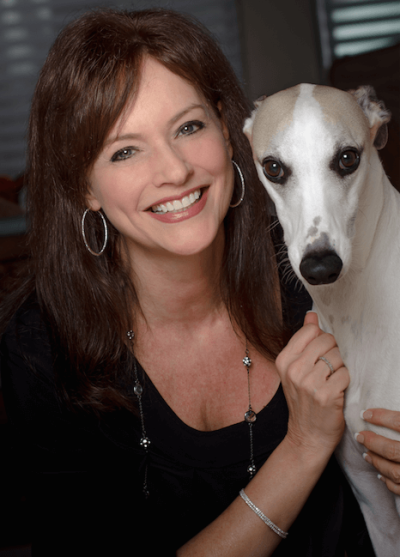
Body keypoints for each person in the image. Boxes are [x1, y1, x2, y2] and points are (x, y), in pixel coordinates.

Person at [0, 8, 399, 556]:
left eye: (188, 127)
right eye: (125, 150)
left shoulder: (312, 274)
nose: (174, 171)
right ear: (83, 187)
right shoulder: (37, 352)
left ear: (229, 133)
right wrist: (304, 446)